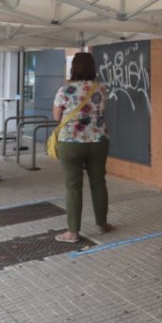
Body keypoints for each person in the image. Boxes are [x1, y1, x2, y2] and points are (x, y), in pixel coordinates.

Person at [52, 52, 111, 243]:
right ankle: (102, 224)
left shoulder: (65, 90)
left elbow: (56, 117)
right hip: (98, 140)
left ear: (73, 68)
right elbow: (102, 111)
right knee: (98, 182)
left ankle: (73, 232)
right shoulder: (101, 88)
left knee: (73, 186)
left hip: (71, 143)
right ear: (93, 68)